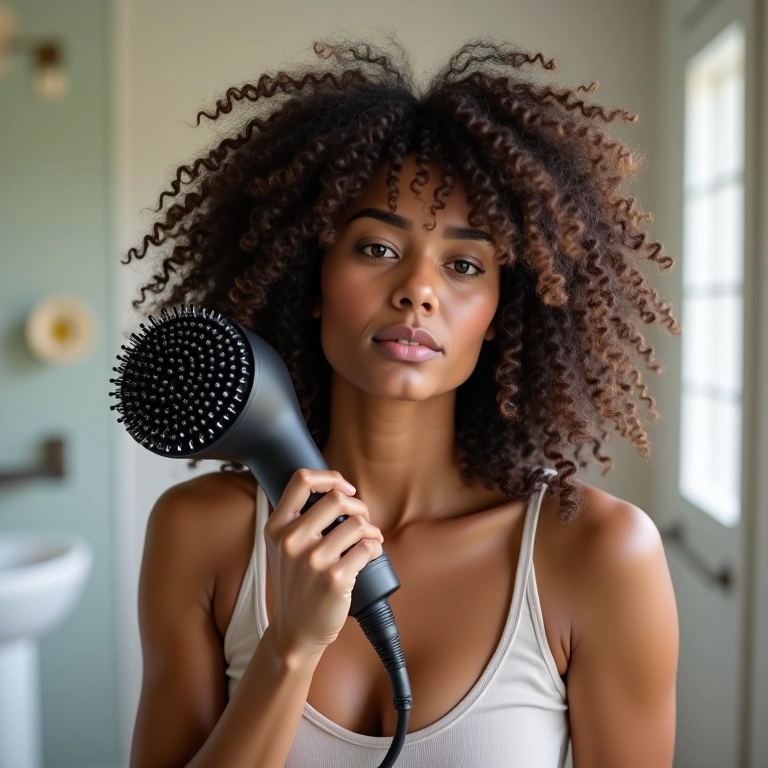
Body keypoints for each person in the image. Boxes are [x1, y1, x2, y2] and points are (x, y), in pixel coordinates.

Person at [122, 35, 680, 768]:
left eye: (463, 264)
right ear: (309, 281)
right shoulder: (201, 536)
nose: (419, 288)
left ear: (502, 313)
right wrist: (289, 648)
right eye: (376, 248)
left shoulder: (599, 556)